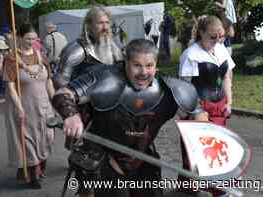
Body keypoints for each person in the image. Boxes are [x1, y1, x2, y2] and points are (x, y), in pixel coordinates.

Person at [52, 39, 208, 197]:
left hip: (141, 157)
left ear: (156, 66)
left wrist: (202, 127)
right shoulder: (103, 77)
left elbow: (198, 111)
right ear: (126, 62)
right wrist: (71, 115)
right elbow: (63, 94)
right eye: (137, 65)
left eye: (149, 66)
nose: (143, 72)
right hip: (102, 157)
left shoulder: (171, 90)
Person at [178, 16, 235, 197]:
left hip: (219, 106)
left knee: (218, 149)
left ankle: (217, 189)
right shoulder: (190, 55)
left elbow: (227, 77)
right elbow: (184, 87)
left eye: (221, 36)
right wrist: (196, 111)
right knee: (196, 151)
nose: (218, 41)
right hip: (198, 107)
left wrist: (229, 102)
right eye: (213, 37)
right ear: (201, 33)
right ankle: (192, 185)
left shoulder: (221, 50)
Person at [3, 23, 55, 189]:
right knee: (28, 140)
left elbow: (49, 82)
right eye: (28, 39)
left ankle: (41, 167)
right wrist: (19, 108)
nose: (31, 42)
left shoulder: (41, 56)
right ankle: (33, 175)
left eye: (34, 38)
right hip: (24, 106)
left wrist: (56, 102)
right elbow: (10, 87)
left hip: (44, 105)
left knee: (47, 137)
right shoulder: (12, 58)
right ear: (19, 38)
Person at [53, 5, 123, 90]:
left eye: (107, 22)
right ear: (89, 25)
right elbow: (60, 81)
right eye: (100, 23)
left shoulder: (114, 48)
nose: (105, 27)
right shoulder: (77, 50)